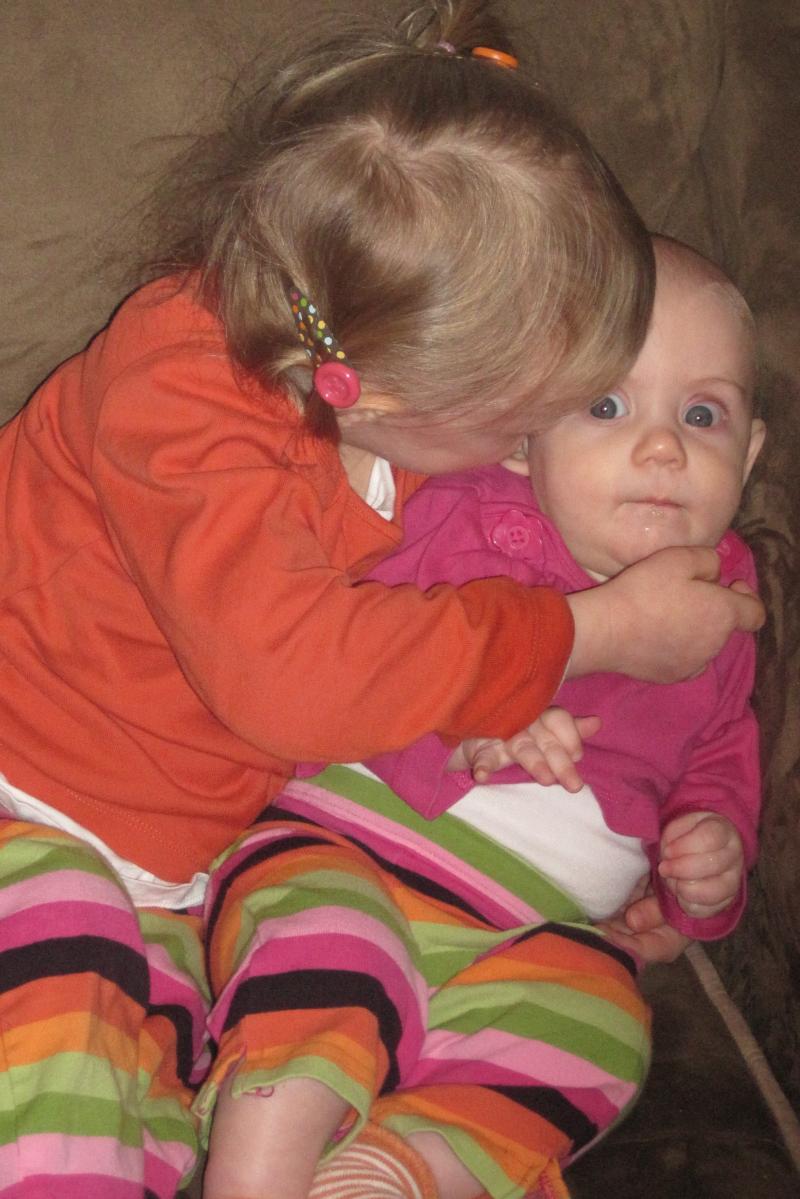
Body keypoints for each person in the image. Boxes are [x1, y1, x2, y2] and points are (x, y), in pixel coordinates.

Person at [0, 0, 763, 1192]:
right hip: (28, 804)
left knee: (149, 1105)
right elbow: (295, 675)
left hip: (170, 866)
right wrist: (584, 632)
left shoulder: (365, 377)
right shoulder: (176, 389)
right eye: (517, 423)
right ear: (383, 391)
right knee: (60, 1016)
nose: (521, 455)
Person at [223, 234, 765, 1199]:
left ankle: (399, 1170)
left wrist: (710, 857)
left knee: (606, 1023)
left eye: (702, 414)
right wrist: (477, 703)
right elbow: (351, 641)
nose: (663, 447)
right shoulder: (454, 513)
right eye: (607, 406)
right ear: (522, 435)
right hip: (348, 852)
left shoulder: (726, 611)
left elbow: (722, 758)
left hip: (535, 935)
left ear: (750, 452)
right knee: (328, 960)